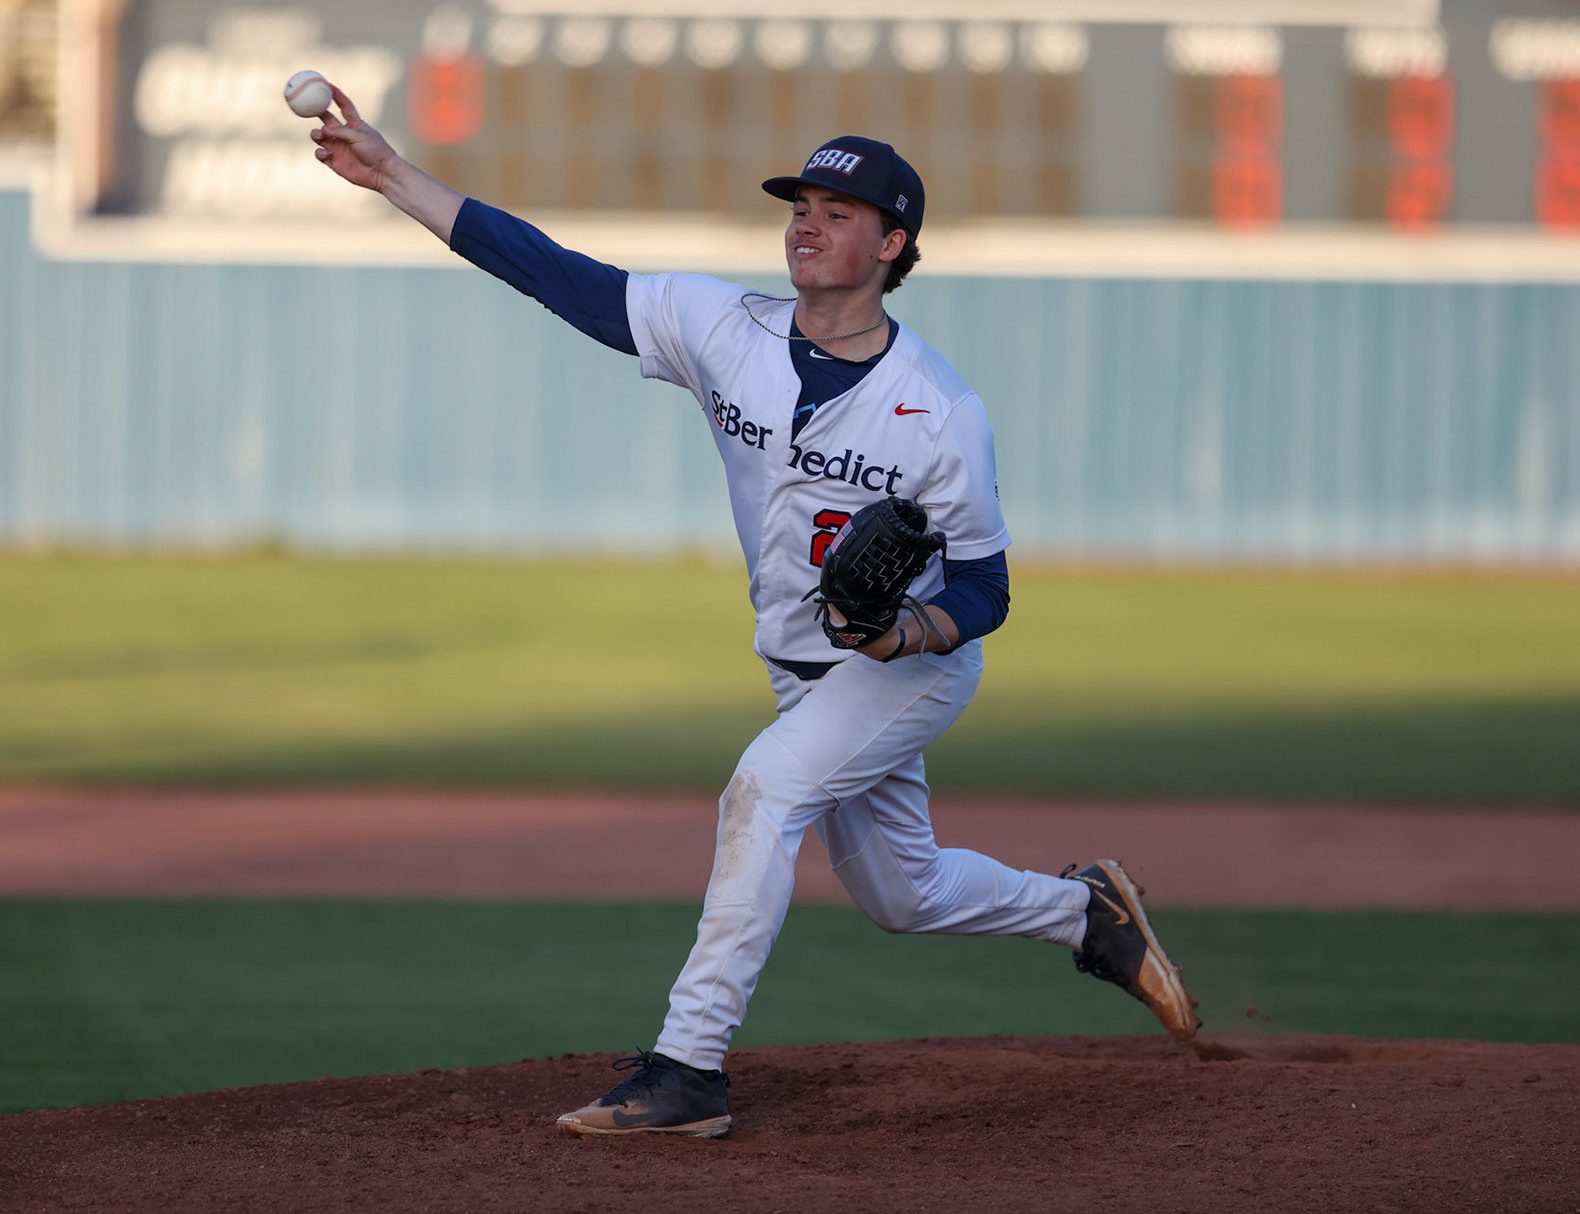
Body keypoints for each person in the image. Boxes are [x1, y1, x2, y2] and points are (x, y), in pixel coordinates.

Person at [307, 91, 1199, 1138]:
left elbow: (986, 588)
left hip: (905, 668)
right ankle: (1081, 911)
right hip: (799, 661)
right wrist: (393, 173)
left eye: (839, 209)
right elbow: (550, 269)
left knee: (764, 787)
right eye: (801, 204)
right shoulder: (722, 329)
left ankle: (689, 1068)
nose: (807, 222)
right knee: (900, 894)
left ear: (894, 242)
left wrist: (905, 633)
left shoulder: (940, 410)